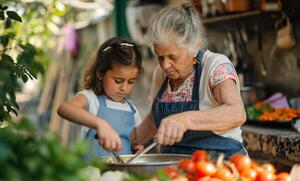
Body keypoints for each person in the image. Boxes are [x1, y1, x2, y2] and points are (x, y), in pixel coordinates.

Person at [135, 3, 247, 158]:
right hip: (175, 167)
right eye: (160, 56)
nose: (165, 65)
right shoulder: (160, 74)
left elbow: (236, 113)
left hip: (219, 165)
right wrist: (128, 141)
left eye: (172, 57)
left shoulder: (215, 65)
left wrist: (186, 119)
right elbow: (154, 121)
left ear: (194, 47)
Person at [57, 37, 143, 157]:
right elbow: (64, 108)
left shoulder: (132, 110)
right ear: (100, 73)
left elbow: (134, 141)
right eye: (118, 81)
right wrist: (100, 124)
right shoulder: (91, 99)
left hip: (122, 174)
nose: (124, 88)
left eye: (131, 82)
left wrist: (137, 148)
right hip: (90, 172)